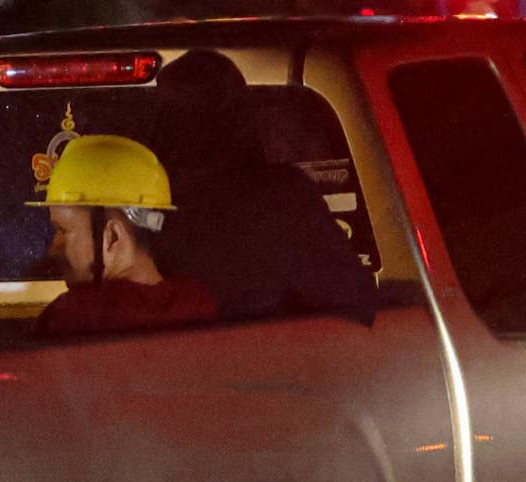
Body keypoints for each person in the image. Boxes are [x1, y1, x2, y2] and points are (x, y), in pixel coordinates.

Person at [150, 50, 376, 326]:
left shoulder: (139, 206)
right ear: (242, 115)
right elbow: (351, 301)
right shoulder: (282, 196)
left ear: (164, 121)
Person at [30, 135, 217, 339]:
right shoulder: (199, 306)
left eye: (63, 230)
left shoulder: (71, 318)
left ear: (112, 237)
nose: (53, 248)